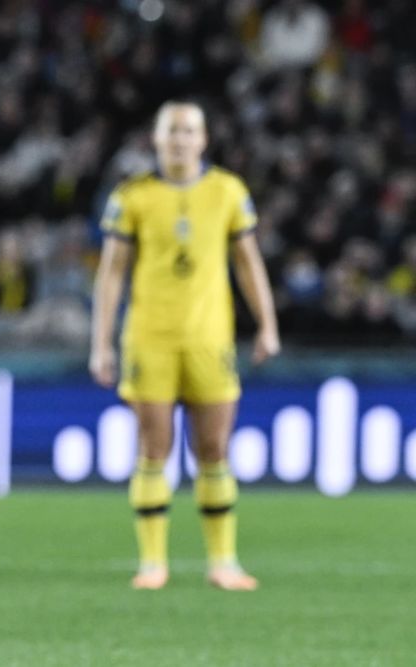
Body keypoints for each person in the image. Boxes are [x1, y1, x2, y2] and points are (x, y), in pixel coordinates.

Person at [89, 100, 280, 592]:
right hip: (149, 338)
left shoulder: (227, 192)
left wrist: (267, 324)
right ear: (156, 140)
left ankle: (224, 562)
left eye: (189, 131)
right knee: (154, 448)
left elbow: (248, 262)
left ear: (204, 139)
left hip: (209, 338)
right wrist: (101, 343)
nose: (179, 139)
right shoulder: (132, 196)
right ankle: (153, 562)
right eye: (171, 131)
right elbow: (111, 275)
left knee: (214, 449)